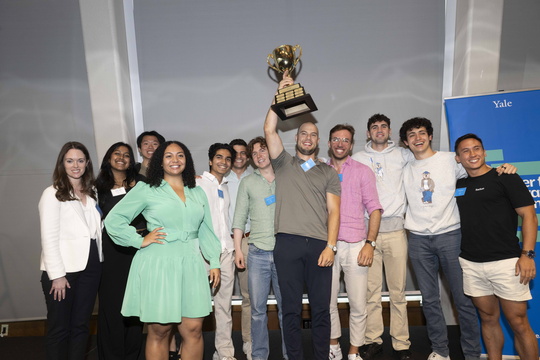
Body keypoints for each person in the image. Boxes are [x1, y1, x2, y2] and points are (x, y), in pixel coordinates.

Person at [398, 117, 516, 360]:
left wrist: (503, 169)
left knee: (462, 300)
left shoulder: (450, 160)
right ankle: (440, 351)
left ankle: (471, 353)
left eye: (422, 132)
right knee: (429, 300)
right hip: (418, 241)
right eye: (412, 135)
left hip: (451, 236)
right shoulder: (405, 167)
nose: (418, 138)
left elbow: (480, 171)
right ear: (405, 142)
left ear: (430, 136)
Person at [104, 140, 221, 360]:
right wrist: (138, 240)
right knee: (160, 330)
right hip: (159, 263)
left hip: (191, 264)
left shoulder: (197, 192)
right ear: (160, 161)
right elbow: (114, 220)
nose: (175, 160)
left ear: (187, 160)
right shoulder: (146, 189)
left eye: (180, 155)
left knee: (194, 329)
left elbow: (206, 230)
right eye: (168, 156)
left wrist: (214, 261)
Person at [264, 70, 341, 360]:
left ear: (318, 141)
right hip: (287, 244)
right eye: (303, 133)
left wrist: (331, 247)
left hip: (320, 246)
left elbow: (334, 211)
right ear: (296, 137)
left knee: (322, 309)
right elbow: (269, 130)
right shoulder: (283, 162)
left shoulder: (328, 172)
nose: (308, 138)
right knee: (290, 309)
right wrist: (279, 96)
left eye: (313, 135)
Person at [454, 133, 538, 360]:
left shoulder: (505, 177)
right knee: (488, 319)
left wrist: (528, 255)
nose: (472, 154)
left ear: (484, 152)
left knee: (518, 322)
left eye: (477, 148)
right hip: (471, 264)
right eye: (466, 151)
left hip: (507, 263)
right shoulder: (458, 185)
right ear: (458, 158)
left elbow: (529, 216)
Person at [352, 114, 413, 360]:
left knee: (398, 291)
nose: (379, 130)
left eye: (383, 126)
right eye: (374, 127)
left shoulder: (403, 155)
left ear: (390, 131)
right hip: (368, 236)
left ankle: (401, 342)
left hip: (397, 231)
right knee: (371, 293)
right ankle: (373, 339)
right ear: (368, 133)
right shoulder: (357, 159)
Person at [39, 141, 103, 359]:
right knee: (59, 329)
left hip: (92, 267)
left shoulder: (92, 191)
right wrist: (56, 275)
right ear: (62, 164)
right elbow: (48, 237)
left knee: (81, 326)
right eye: (70, 160)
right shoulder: (52, 193)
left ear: (87, 163)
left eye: (80, 160)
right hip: (63, 271)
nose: (75, 165)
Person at [327, 124, 382, 360]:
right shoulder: (319, 170)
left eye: (345, 140)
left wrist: (370, 243)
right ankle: (333, 346)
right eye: (336, 139)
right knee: (326, 302)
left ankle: (354, 351)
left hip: (356, 244)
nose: (340, 143)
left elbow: (375, 209)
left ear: (351, 144)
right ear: (329, 143)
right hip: (326, 246)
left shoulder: (362, 171)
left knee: (358, 303)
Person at [232, 136, 287, 360]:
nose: (259, 156)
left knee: (287, 310)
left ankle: (289, 354)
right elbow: (238, 219)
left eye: (262, 150)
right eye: (254, 153)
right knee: (257, 311)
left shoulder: (286, 177)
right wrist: (238, 250)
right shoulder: (247, 183)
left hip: (285, 253)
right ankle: (259, 356)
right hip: (257, 254)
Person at [95, 142, 145, 360]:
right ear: (108, 158)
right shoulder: (97, 187)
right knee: (113, 308)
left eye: (127, 154)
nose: (122, 157)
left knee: (135, 308)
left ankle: (132, 354)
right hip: (112, 251)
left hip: (139, 250)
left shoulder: (141, 183)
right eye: (117, 153)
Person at [196, 143, 237, 360]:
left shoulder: (226, 185)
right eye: (219, 157)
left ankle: (225, 354)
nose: (224, 161)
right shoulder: (197, 184)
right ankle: (192, 351)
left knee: (224, 307)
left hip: (226, 252)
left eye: (228, 158)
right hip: (203, 254)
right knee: (197, 308)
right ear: (210, 160)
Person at [226, 138, 253, 359]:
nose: (239, 156)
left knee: (248, 296)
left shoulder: (255, 177)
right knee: (222, 298)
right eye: (235, 153)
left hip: (247, 240)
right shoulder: (219, 179)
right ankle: (223, 348)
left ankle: (248, 341)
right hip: (224, 242)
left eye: (243, 153)